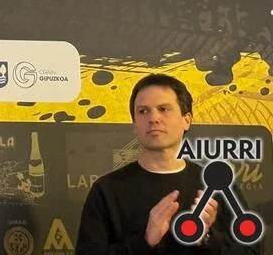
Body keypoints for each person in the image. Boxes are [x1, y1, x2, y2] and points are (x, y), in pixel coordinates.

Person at [75, 74, 260, 255]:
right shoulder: (106, 190)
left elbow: (252, 251)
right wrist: (145, 241)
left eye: (163, 109)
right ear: (134, 125)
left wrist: (207, 238)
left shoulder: (216, 185)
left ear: (186, 120)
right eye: (143, 111)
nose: (153, 118)